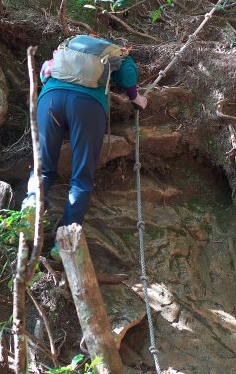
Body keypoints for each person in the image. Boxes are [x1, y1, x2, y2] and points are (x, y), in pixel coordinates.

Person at [22, 34, 147, 256]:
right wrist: (135, 97)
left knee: (44, 169)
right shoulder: (116, 51)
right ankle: (65, 244)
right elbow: (128, 75)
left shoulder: (68, 46)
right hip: (87, 107)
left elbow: (44, 72)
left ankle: (32, 202)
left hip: (51, 99)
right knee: (81, 179)